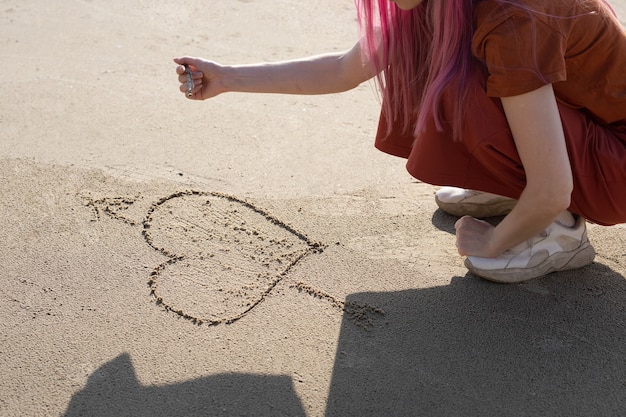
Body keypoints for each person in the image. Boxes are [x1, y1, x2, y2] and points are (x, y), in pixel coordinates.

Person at [174, 0, 626, 283]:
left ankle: (560, 233)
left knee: (459, 91)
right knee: (433, 59)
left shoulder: (513, 15)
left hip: (616, 170)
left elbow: (552, 189)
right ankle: (509, 184)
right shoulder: (433, 5)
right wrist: (226, 77)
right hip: (588, 138)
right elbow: (340, 70)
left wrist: (494, 243)